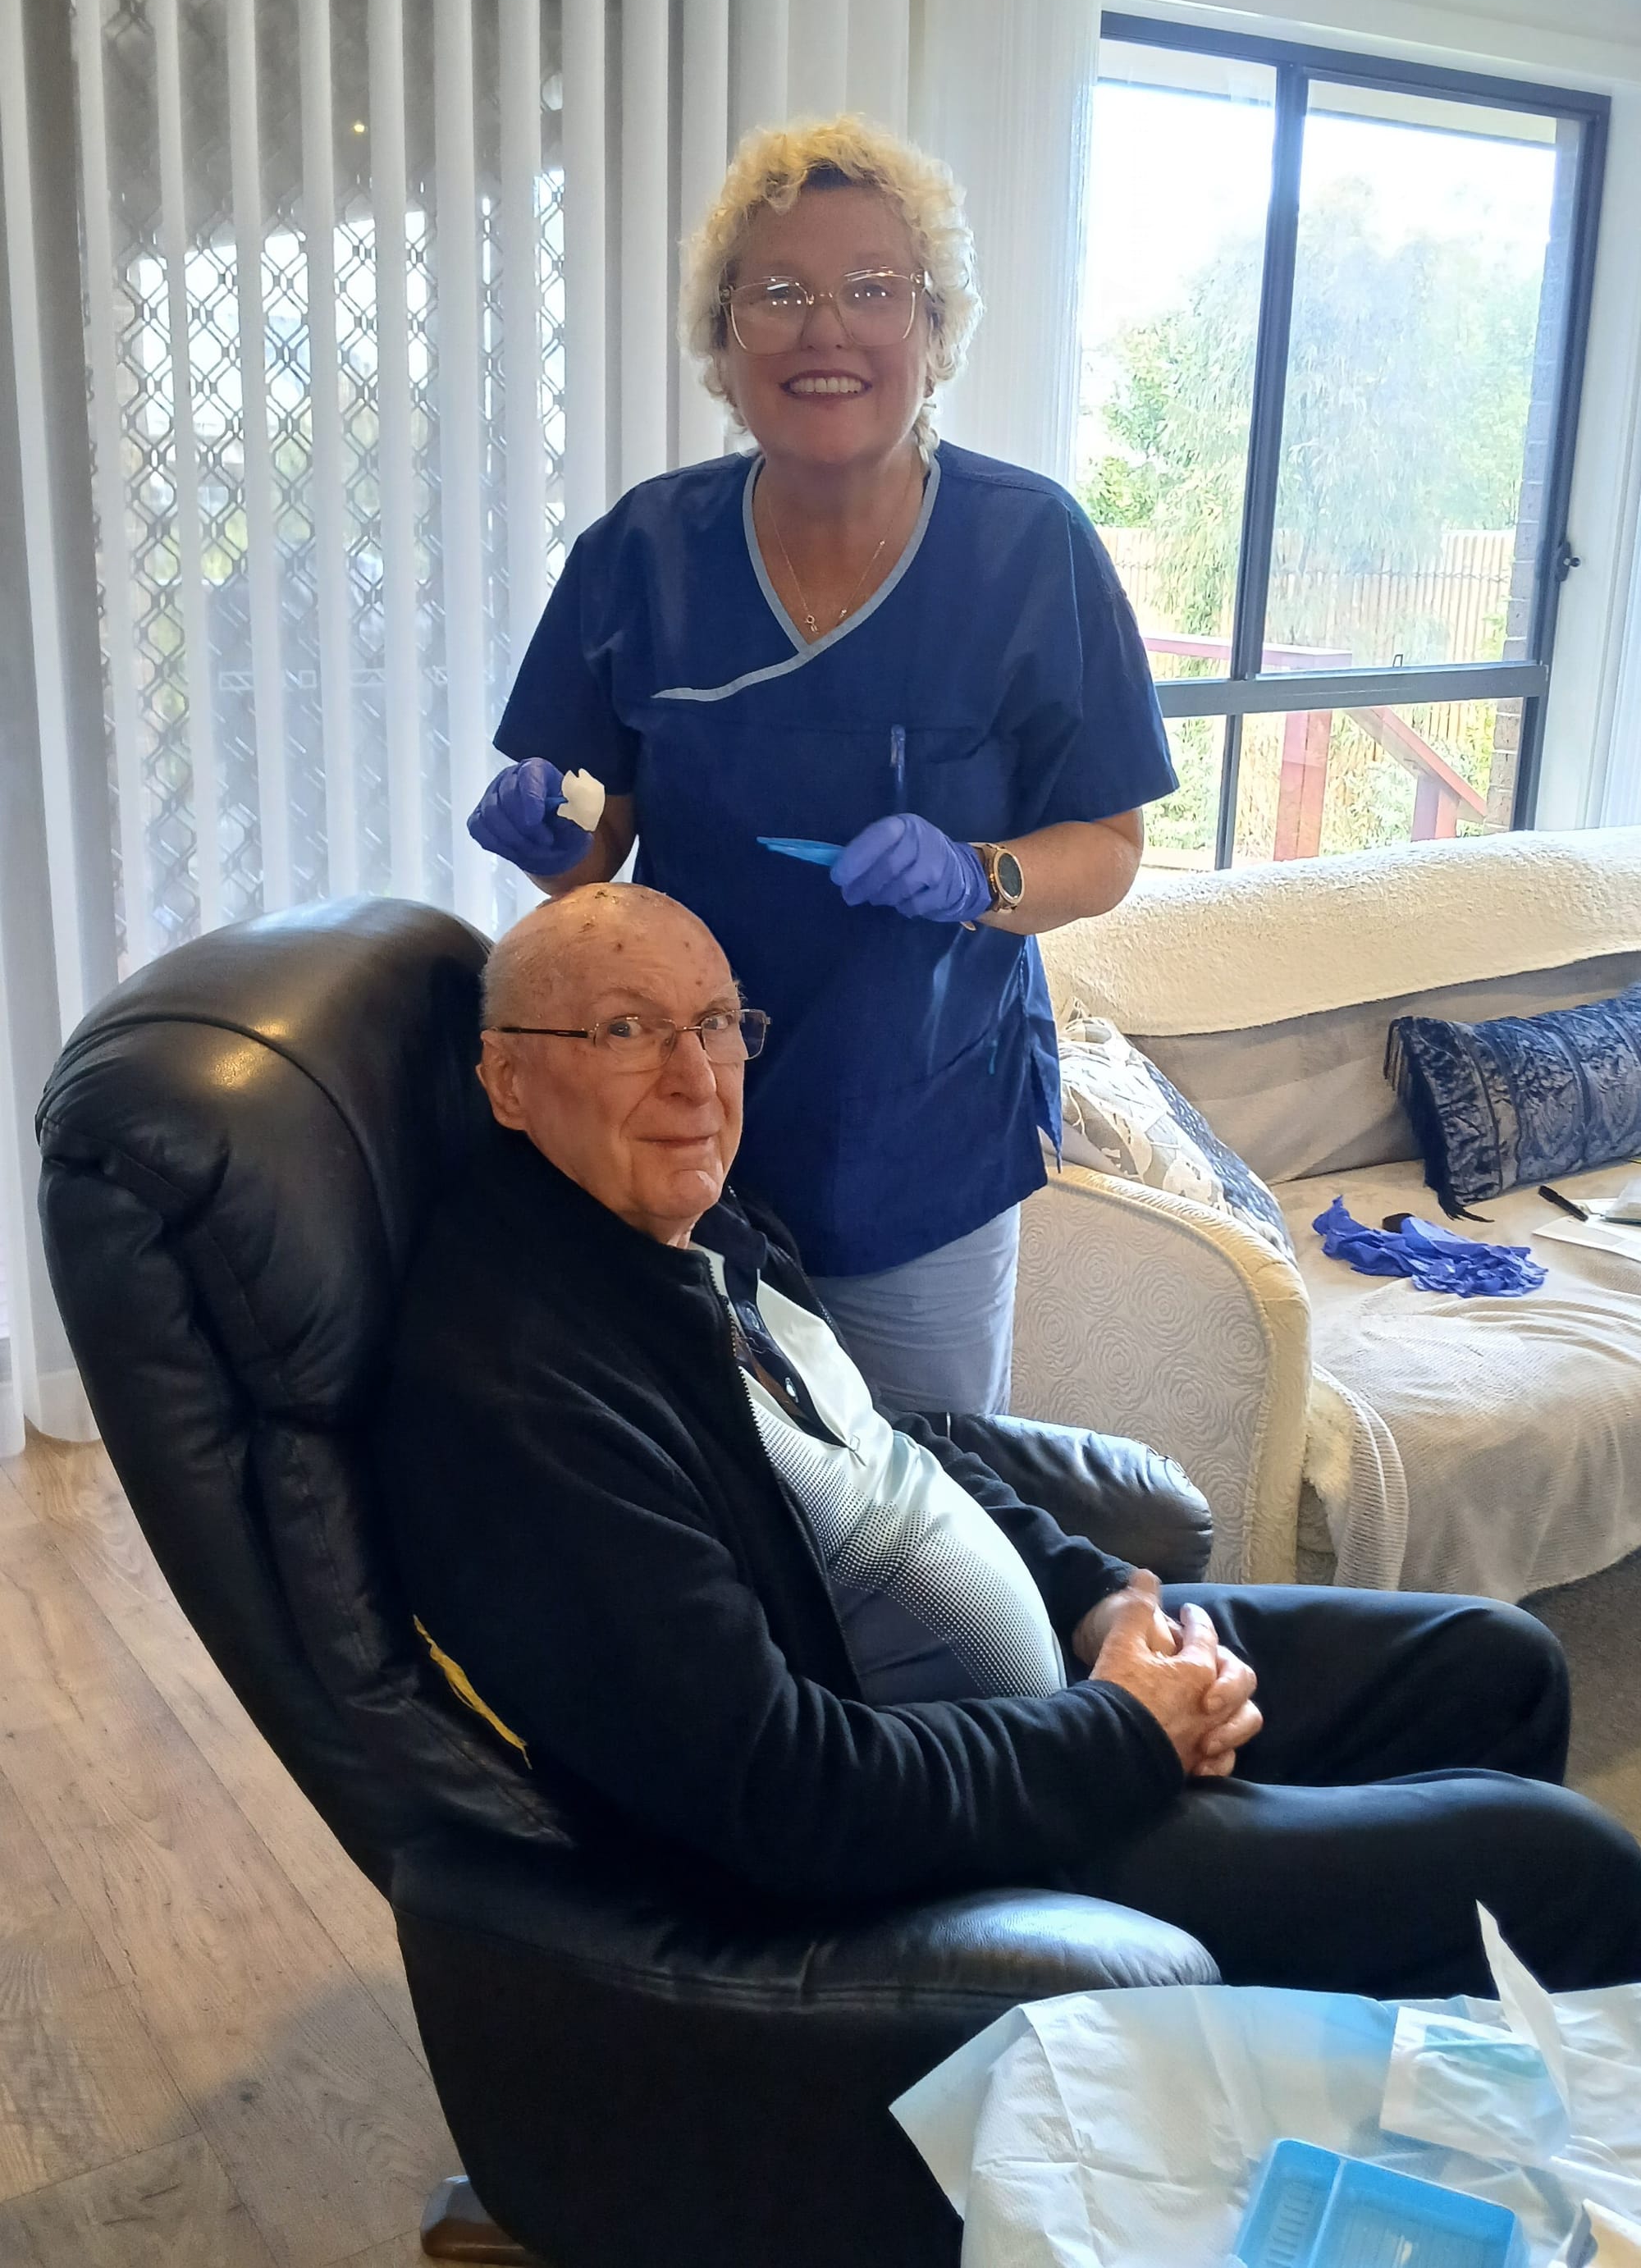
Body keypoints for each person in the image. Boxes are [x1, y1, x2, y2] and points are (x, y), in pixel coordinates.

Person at [375, 885, 1641, 2001]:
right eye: (625, 1030)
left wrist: (1099, 1605)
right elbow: (782, 1792)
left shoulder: (691, 1230)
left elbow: (901, 1446)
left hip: (1058, 1716)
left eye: (718, 1023)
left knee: (1498, 1665)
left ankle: (1391, 2064)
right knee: (1562, 1869)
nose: (696, 1080)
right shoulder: (520, 1396)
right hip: (951, 1842)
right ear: (504, 1079)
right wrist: (1129, 1736)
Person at [466, 116, 1177, 1420]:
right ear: (724, 347)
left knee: (933, 1510)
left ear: (935, 331)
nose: (825, 331)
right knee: (737, 1491)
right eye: (779, 295)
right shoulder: (641, 554)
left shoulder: (1032, 550)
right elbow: (591, 859)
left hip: (924, 1134)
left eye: (873, 291)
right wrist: (543, 842)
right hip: (681, 1126)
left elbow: (1111, 847)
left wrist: (978, 872)